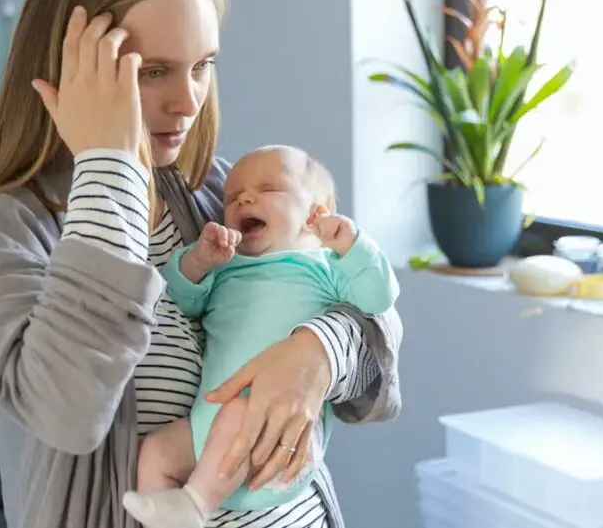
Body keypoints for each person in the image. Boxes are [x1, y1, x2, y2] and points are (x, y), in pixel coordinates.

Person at [0, 0, 404, 526]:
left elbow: (378, 332)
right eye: (153, 72)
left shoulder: (220, 194)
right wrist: (109, 168)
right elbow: (67, 413)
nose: (188, 102)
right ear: (66, 72)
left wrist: (316, 354)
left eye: (203, 67)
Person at [122, 146, 400, 528]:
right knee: (154, 453)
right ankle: (171, 517)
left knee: (240, 408)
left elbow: (378, 301)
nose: (244, 198)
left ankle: (194, 504)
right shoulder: (227, 267)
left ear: (315, 215)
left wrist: (353, 247)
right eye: (233, 197)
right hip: (205, 433)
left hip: (276, 441)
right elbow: (178, 301)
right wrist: (198, 262)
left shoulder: (325, 266)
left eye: (268, 189)